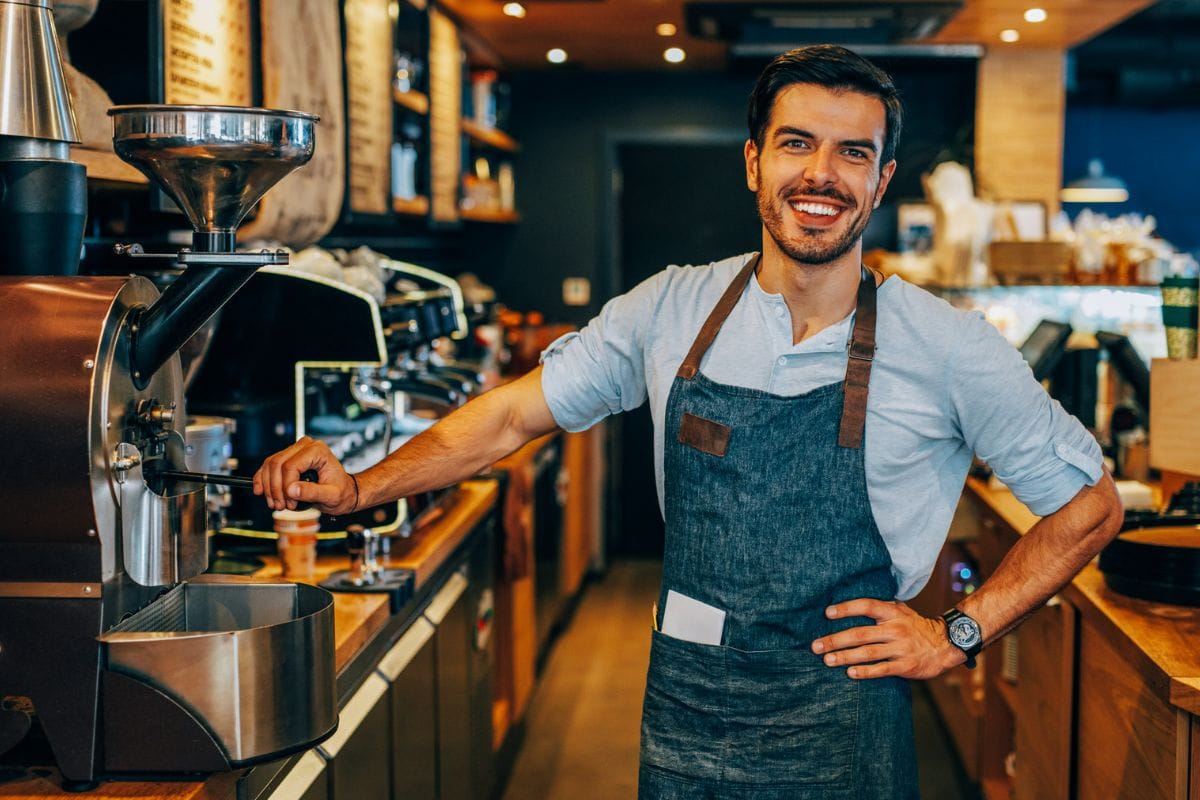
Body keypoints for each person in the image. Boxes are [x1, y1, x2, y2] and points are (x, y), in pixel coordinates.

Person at [256, 45, 1123, 799]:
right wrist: (365, 485)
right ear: (753, 163)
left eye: (852, 153)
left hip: (843, 732)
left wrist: (958, 634)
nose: (822, 174)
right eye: (797, 144)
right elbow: (513, 415)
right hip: (685, 718)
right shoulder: (670, 308)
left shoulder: (945, 344)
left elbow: (1090, 506)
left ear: (881, 180)